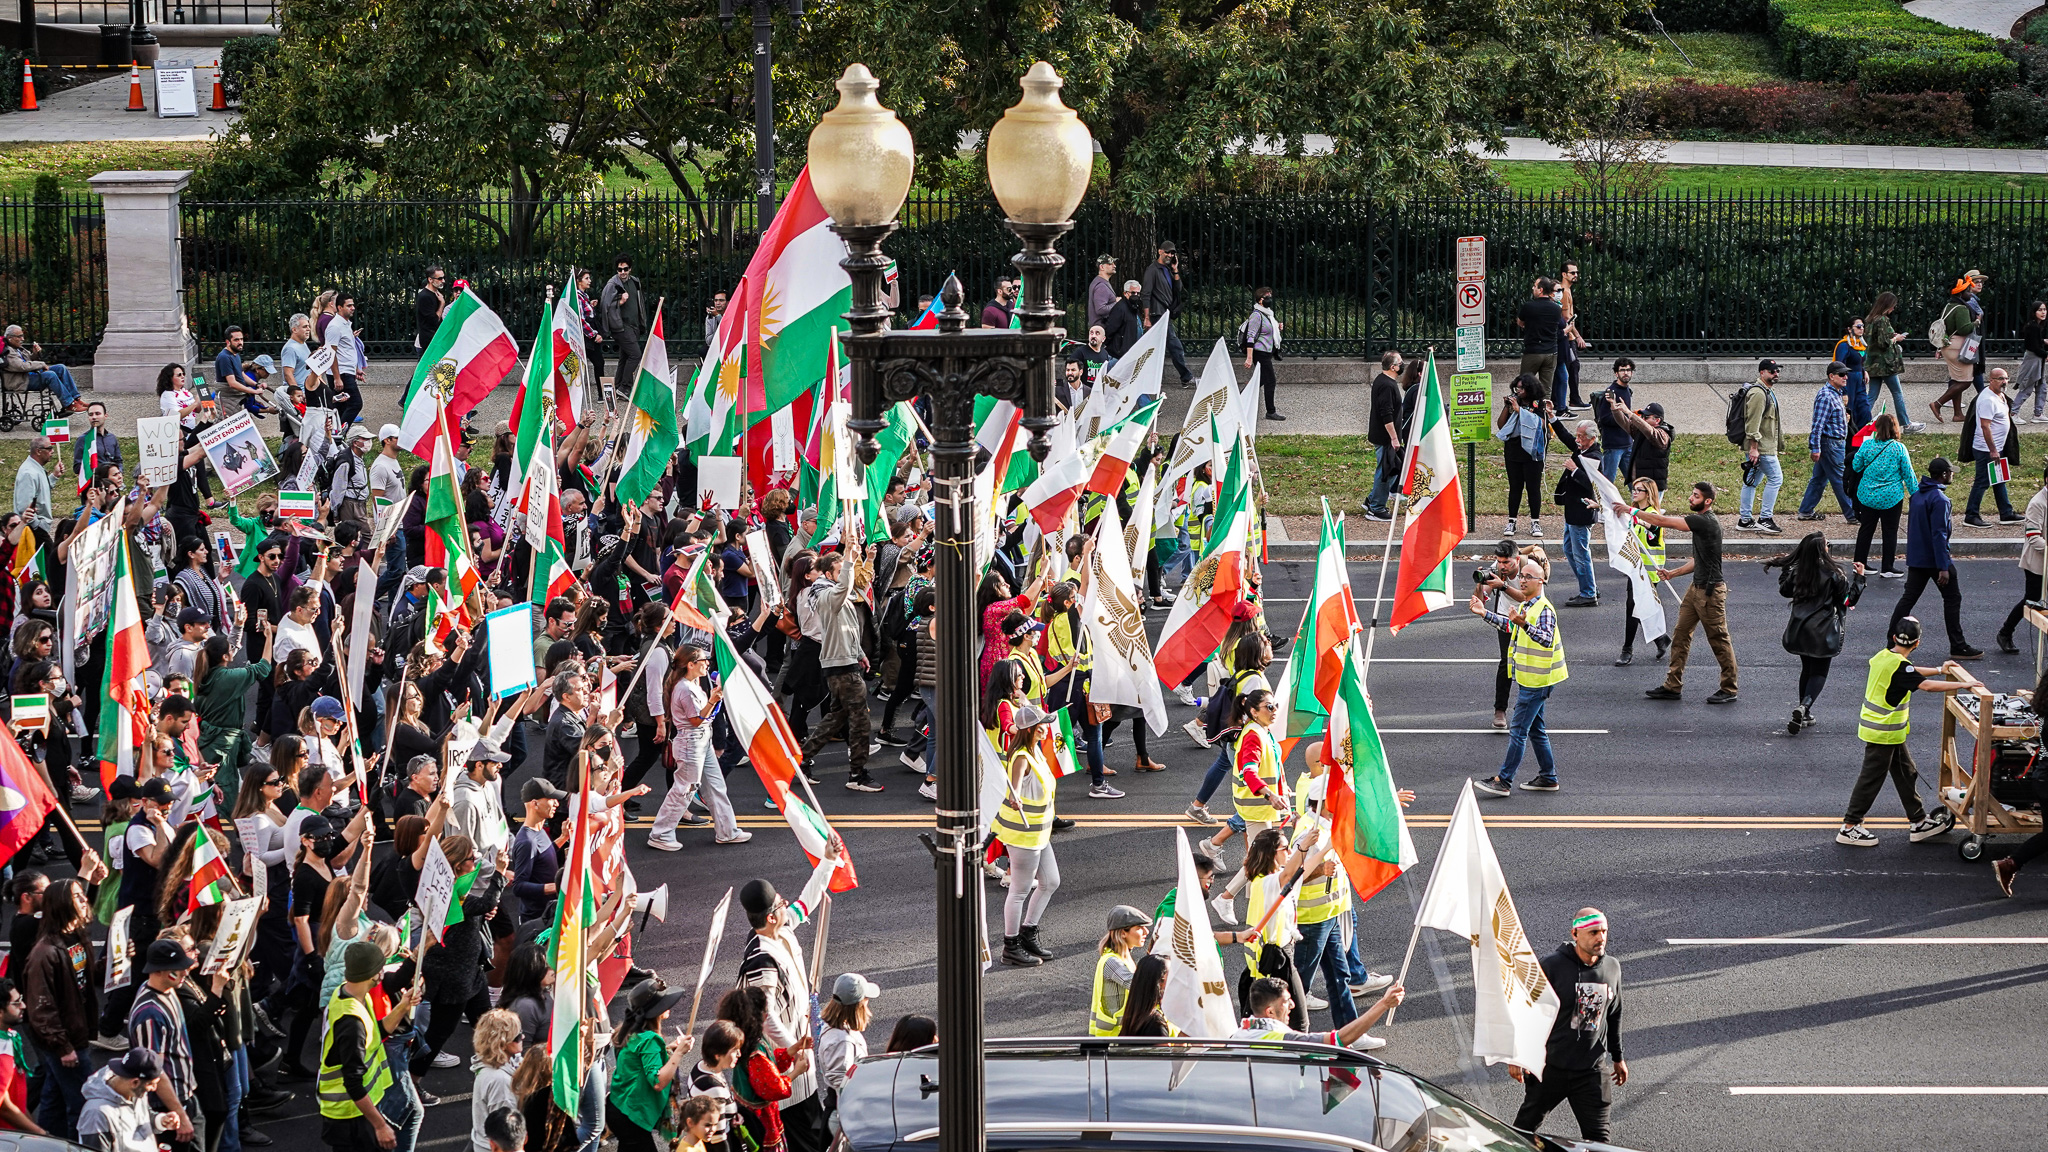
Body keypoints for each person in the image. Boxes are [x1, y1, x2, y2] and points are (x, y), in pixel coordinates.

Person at [734, 846, 842, 1152]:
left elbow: (807, 902)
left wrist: (828, 862)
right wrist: (792, 1050)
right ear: (770, 916)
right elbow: (763, 1016)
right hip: (784, 1070)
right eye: (782, 903)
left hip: (797, 1058)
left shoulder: (778, 930)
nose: (788, 905)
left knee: (811, 1128)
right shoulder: (761, 960)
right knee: (804, 1137)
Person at [1837, 617, 1967, 848]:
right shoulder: (1900, 666)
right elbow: (1924, 685)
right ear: (1917, 643)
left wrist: (1939, 670)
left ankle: (1918, 821)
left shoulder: (1883, 657)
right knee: (1871, 779)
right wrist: (1964, 685)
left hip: (1886, 731)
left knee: (1906, 772)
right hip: (1882, 733)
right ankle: (1850, 827)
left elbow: (1912, 671)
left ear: (1895, 638)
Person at [1510, 910, 1627, 1144]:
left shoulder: (1612, 968)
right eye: (1593, 932)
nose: (1601, 938)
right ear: (1575, 933)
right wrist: (1518, 1056)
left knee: (1599, 1143)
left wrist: (1618, 1057)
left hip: (1591, 1072)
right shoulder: (1552, 966)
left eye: (1604, 931)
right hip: (1552, 1068)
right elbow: (1526, 1010)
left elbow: (1614, 1014)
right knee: (1522, 1134)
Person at [1633, 482, 1739, 705]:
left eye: (1696, 496)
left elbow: (1662, 521)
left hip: (1710, 593)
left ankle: (1729, 688)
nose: (1691, 498)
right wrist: (1673, 573)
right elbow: (1698, 561)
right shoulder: (1701, 524)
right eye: (1692, 494)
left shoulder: (1704, 521)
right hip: (1696, 589)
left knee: (1719, 640)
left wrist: (1631, 510)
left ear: (1707, 501)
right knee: (1681, 635)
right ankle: (1672, 685)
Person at [1470, 550, 1566, 797]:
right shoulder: (1528, 605)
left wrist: (1524, 624)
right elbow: (1510, 626)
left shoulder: (1543, 609)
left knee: (1519, 731)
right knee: (1535, 729)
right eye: (1522, 576)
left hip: (1537, 682)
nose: (1522, 580)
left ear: (1541, 581)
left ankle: (1503, 780)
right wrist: (1484, 613)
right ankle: (1548, 776)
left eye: (1528, 577)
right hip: (1532, 679)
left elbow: (1544, 638)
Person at [1764, 532, 1864, 735]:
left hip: (1800, 629)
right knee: (1819, 672)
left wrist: (1786, 568)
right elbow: (1848, 600)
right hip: (1823, 631)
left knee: (1806, 669)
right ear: (1822, 549)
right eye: (1828, 544)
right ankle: (1805, 706)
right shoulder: (1834, 573)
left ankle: (1805, 712)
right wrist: (1860, 579)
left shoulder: (1799, 571)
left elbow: (1785, 590)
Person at [798, 547, 880, 792]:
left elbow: (850, 626)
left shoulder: (833, 591)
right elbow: (842, 591)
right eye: (841, 571)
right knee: (860, 721)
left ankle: (800, 759)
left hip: (845, 660)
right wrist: (849, 561)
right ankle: (857, 774)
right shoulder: (824, 594)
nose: (847, 575)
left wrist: (860, 654)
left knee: (837, 717)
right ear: (829, 574)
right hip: (841, 665)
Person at [1888, 457, 1982, 661]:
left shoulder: (1917, 495)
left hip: (1917, 558)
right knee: (1952, 599)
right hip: (1935, 559)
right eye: (1951, 472)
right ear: (1944, 475)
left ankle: (1891, 642)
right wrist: (1943, 567)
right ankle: (1958, 645)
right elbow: (1939, 534)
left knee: (1908, 600)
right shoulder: (1940, 499)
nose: (1953, 475)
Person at [993, 704, 1060, 967]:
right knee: (1019, 890)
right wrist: (1015, 799)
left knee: (1051, 882)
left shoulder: (1037, 751)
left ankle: (1027, 933)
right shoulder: (1022, 756)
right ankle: (1011, 946)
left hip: (1039, 832)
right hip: (1023, 835)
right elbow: (1014, 789)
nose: (1048, 726)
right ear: (1032, 729)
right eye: (1043, 723)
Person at [316, 941, 400, 1152]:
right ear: (372, 974)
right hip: (350, 1116)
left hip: (356, 1111)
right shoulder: (352, 1022)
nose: (383, 971)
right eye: (381, 967)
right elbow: (352, 1082)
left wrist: (405, 1005)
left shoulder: (347, 995)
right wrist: (380, 1125)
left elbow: (377, 1033)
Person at [126, 940, 198, 1152]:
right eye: (179, 969)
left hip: (184, 1094)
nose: (185, 972)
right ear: (162, 971)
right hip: (167, 1106)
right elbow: (154, 1072)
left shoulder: (166, 990)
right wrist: (181, 1115)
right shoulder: (150, 1015)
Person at [607, 980, 691, 1152]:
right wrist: (679, 1053)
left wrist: (670, 1049)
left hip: (618, 1108)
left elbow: (639, 1061)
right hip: (631, 1116)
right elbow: (658, 1082)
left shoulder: (633, 1032)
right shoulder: (650, 1040)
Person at [1230, 975, 1404, 1050]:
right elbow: (1339, 1040)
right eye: (1285, 1001)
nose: (1292, 1005)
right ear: (1270, 1012)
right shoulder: (1282, 1040)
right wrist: (1383, 1004)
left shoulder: (1237, 1037)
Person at [1614, 478, 1669, 668]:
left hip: (1650, 572)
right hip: (1636, 570)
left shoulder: (1653, 515)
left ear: (1649, 494)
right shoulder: (1634, 512)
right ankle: (1660, 639)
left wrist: (1635, 515)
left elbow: (1653, 527)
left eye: (1639, 490)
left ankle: (1627, 649)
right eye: (1634, 489)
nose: (1634, 492)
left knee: (1634, 608)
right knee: (1640, 607)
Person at [1853, 412, 1914, 578]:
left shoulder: (1867, 446)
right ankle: (1887, 567)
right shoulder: (1898, 448)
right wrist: (1915, 493)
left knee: (1866, 529)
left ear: (1877, 428)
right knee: (1890, 531)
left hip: (1868, 495)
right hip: (1891, 496)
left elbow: (1856, 466)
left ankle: (1859, 563)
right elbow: (1908, 473)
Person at [1797, 361, 1856, 524]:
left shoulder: (1837, 393)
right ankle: (1852, 514)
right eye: (1842, 374)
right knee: (1840, 478)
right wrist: (1815, 447)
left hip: (1835, 442)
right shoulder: (1825, 395)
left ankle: (1806, 510)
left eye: (1846, 374)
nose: (1846, 377)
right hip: (1830, 444)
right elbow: (1818, 424)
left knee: (1819, 478)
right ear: (1831, 376)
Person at [1998, 462, 2048, 654]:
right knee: (2031, 600)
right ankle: (2005, 632)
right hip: (2037, 563)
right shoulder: (2037, 503)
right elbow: (2033, 537)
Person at [1493, 374, 1551, 539]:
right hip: (1513, 449)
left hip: (1532, 450)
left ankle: (1535, 521)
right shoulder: (1513, 403)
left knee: (1533, 487)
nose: (1518, 391)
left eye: (1521, 388)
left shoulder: (1539, 403)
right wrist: (1507, 407)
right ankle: (1512, 520)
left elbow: (1540, 423)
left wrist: (1520, 410)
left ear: (1530, 389)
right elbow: (1501, 425)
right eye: (1516, 388)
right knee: (1515, 487)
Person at [1964, 366, 2023, 527]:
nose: (2004, 382)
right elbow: (1985, 426)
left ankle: (2006, 513)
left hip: (1998, 447)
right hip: (1986, 449)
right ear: (1991, 381)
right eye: (2000, 379)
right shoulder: (1988, 400)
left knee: (1999, 480)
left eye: (2006, 378)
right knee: (1982, 482)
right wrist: (1993, 450)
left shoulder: (2000, 395)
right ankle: (1971, 515)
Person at [1550, 419, 1600, 607]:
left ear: (1592, 438)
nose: (1577, 440)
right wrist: (1552, 417)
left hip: (1581, 512)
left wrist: (1574, 470)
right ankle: (1589, 586)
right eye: (1577, 435)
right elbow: (1565, 437)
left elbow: (1590, 483)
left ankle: (1588, 592)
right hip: (1572, 511)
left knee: (1580, 554)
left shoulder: (1594, 457)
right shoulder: (1582, 449)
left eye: (1581, 436)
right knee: (1569, 550)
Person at [77, 1048, 161, 1152]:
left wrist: (160, 1121)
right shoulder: (96, 1114)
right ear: (134, 1082)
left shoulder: (135, 1093)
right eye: (151, 1084)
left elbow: (144, 1118)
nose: (154, 1088)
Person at [1931, 270, 1987, 424]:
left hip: (1948, 346)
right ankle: (1938, 404)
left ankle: (1958, 414)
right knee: (1966, 381)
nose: (1971, 293)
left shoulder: (1949, 305)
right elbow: (1964, 329)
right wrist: (1976, 322)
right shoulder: (1962, 309)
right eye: (1968, 290)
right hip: (1959, 347)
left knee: (1956, 380)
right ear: (1962, 293)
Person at [816, 973, 877, 1107]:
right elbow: (842, 1085)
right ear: (859, 1005)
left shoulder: (835, 1027)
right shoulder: (842, 1041)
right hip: (846, 1112)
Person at [1737, 359, 1784, 534]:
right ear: (1762, 373)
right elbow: (1752, 423)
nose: (1776, 374)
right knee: (1776, 478)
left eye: (1777, 371)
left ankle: (1745, 520)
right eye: (1772, 371)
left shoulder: (1767, 391)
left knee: (1751, 482)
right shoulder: (1758, 393)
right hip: (1761, 448)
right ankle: (1765, 518)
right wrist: (1754, 448)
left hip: (1764, 446)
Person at [1087, 907, 1149, 1037]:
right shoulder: (1112, 963)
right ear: (1123, 933)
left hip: (1121, 1035)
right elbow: (1138, 986)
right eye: (1139, 928)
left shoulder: (1123, 958)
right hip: (1113, 1039)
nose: (1146, 931)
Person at [1141, 242, 1194, 386]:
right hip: (1157, 314)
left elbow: (1178, 288)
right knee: (1174, 344)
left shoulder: (1168, 269)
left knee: (1155, 348)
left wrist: (1176, 270)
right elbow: (1145, 294)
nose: (1170, 255)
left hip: (1165, 313)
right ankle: (1186, 377)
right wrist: (1147, 318)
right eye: (1168, 252)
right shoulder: (1152, 270)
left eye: (1172, 253)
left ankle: (1146, 378)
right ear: (1160, 251)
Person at [1863, 292, 1919, 430]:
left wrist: (1890, 335)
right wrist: (1895, 339)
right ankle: (1905, 423)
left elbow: (1874, 340)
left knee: (1871, 396)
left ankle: (1862, 421)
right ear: (1887, 305)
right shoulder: (1882, 320)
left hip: (1873, 363)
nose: (1893, 309)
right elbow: (1883, 343)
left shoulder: (1870, 319)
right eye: (1892, 306)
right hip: (1885, 364)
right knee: (1897, 393)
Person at [1362, 350, 1405, 521]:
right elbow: (1386, 414)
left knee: (1388, 470)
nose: (1402, 365)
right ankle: (1376, 508)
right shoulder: (1387, 385)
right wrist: (1394, 438)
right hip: (1386, 437)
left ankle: (1372, 500)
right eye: (1400, 363)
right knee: (1387, 472)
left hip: (1383, 436)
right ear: (1393, 367)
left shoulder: (1383, 380)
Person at [688, 1021, 743, 1152]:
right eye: (735, 1050)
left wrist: (732, 1115)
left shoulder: (700, 1067)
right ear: (717, 1055)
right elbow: (718, 1139)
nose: (739, 1054)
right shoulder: (714, 1088)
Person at [4, 325, 83, 412]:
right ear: (9, 338)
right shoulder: (7, 351)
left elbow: (30, 360)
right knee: (50, 375)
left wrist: (35, 353)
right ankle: (68, 404)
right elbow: (22, 366)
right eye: (19, 336)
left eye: (22, 336)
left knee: (61, 368)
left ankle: (76, 399)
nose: (22, 339)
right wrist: (41, 364)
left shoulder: (17, 348)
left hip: (29, 376)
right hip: (20, 381)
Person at [602, 254, 646, 389]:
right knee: (635, 354)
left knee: (625, 357)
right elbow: (605, 305)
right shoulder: (612, 284)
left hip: (634, 326)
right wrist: (620, 301)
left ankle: (619, 385)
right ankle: (625, 386)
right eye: (619, 269)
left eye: (625, 269)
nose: (622, 272)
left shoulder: (635, 282)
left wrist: (641, 323)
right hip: (621, 327)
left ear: (630, 269)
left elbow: (640, 302)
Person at [1589, 358, 1635, 481]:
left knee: (1633, 480)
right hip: (1613, 445)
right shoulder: (1611, 392)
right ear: (1616, 373)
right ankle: (1603, 501)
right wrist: (1624, 417)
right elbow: (1604, 419)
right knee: (1608, 481)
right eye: (1622, 370)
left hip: (1627, 443)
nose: (1626, 373)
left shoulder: (1627, 391)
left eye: (1628, 370)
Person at [1514, 278, 1564, 390]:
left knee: (1524, 385)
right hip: (1551, 351)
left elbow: (1520, 322)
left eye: (1535, 286)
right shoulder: (1556, 308)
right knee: (1546, 388)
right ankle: (1544, 406)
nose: (1533, 288)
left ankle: (1524, 407)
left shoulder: (1529, 306)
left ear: (1540, 289)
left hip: (1533, 351)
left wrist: (1530, 325)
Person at [1241, 286, 1282, 419]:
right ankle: (1270, 411)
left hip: (1266, 352)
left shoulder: (1268, 314)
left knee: (1260, 380)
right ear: (1260, 300)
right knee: (1270, 381)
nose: (1270, 299)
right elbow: (1250, 337)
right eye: (1267, 297)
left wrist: (1277, 327)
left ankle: (1238, 400)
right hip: (1259, 353)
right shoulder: (1256, 315)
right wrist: (1249, 358)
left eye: (1270, 296)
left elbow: (1267, 331)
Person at [1115, 955, 1172, 1037]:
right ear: (1160, 982)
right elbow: (1164, 1049)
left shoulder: (1134, 1017)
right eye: (1170, 976)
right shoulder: (1156, 1026)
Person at [1834, 317, 1872, 432]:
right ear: (1850, 329)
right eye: (1858, 326)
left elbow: (1859, 361)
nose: (1862, 329)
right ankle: (1850, 437)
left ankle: (1863, 436)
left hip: (1859, 381)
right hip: (1848, 380)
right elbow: (1839, 366)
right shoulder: (1844, 345)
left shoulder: (1860, 344)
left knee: (1864, 409)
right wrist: (1843, 391)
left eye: (1863, 326)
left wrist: (1863, 370)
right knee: (1849, 410)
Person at [2018, 300, 2048, 423]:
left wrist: (2043, 342)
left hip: (2037, 359)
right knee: (2027, 387)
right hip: (2033, 359)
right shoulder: (2033, 326)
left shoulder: (2037, 325)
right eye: (2040, 310)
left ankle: (2038, 413)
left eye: (2045, 309)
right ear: (2034, 312)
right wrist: (2045, 354)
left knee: (2042, 386)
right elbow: (2032, 346)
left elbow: (2034, 342)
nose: (2043, 312)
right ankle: (2013, 412)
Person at [1100, 280, 1143, 358]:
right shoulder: (1120, 308)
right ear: (1125, 293)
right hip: (1120, 355)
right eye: (1133, 293)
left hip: (1131, 352)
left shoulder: (1134, 308)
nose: (1136, 295)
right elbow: (1110, 329)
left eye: (1138, 293)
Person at [415, 267, 447, 352]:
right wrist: (442, 304)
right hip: (429, 341)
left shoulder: (436, 294)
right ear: (430, 279)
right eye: (439, 278)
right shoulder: (425, 296)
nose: (443, 281)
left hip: (436, 339)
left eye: (443, 278)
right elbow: (434, 321)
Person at [1086, 255, 1117, 331]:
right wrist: (1116, 303)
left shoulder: (1100, 282)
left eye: (1114, 263)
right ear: (1102, 267)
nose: (1114, 266)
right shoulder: (1101, 286)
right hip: (1101, 329)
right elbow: (1100, 309)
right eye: (1110, 264)